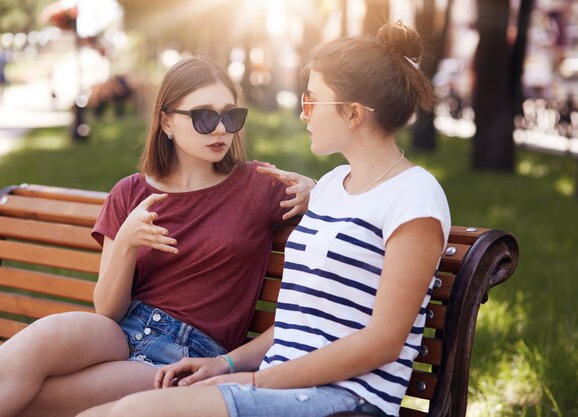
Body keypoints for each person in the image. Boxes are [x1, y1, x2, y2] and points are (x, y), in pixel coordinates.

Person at [77, 21, 451, 417]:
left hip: (344, 401)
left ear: (353, 113)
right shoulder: (330, 187)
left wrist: (252, 381)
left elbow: (383, 342)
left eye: (312, 101)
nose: (302, 112)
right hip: (277, 386)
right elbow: (298, 320)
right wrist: (226, 365)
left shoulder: (415, 196)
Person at [0, 56, 315, 417]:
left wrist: (317, 189)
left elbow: (348, 209)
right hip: (119, 330)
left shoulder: (259, 186)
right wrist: (126, 242)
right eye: (204, 117)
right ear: (167, 122)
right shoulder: (129, 192)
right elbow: (108, 311)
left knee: (36, 396)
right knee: (38, 343)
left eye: (231, 116)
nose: (221, 129)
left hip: (184, 358)